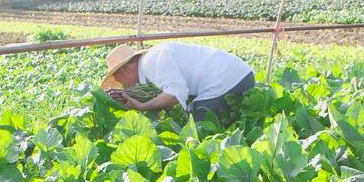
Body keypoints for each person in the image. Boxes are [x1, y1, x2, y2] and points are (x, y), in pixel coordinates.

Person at [101, 42, 255, 122]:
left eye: (117, 79)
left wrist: (142, 106)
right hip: (239, 75)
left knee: (197, 134)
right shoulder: (152, 59)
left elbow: (176, 94)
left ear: (126, 70)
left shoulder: (151, 62)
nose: (122, 85)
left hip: (225, 80)